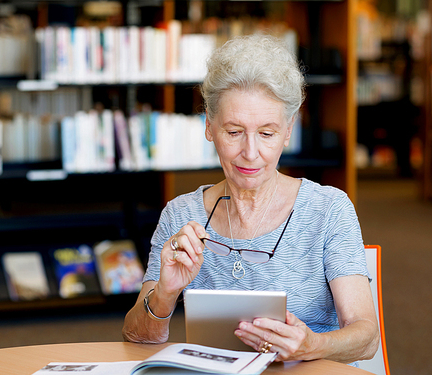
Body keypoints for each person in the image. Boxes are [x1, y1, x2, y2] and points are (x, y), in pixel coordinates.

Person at [122, 33, 379, 365]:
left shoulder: (328, 209)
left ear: (288, 131)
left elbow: (366, 336)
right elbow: (134, 336)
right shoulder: (180, 215)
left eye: (267, 133)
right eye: (233, 132)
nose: (250, 153)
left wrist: (310, 345)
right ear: (209, 127)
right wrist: (164, 295)